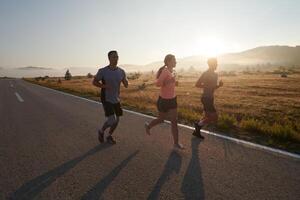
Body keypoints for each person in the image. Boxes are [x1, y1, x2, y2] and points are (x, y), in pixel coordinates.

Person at [144, 54, 184, 149]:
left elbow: (171, 83)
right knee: (161, 120)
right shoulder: (165, 71)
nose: (176, 62)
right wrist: (170, 82)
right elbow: (158, 84)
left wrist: (174, 83)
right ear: (169, 61)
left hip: (173, 99)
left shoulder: (173, 71)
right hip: (164, 100)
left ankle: (176, 143)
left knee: (174, 121)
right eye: (174, 60)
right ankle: (148, 126)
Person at [93, 50, 128, 144]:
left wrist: (125, 81)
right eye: (114, 57)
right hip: (106, 98)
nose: (116, 59)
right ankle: (101, 131)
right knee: (112, 119)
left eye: (117, 57)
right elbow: (94, 82)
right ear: (109, 58)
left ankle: (109, 136)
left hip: (116, 98)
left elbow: (126, 84)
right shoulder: (103, 71)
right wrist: (104, 86)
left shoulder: (121, 71)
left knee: (117, 120)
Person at [193, 57, 223, 139]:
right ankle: (198, 125)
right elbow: (197, 84)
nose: (217, 65)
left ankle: (197, 131)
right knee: (214, 117)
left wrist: (219, 86)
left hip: (209, 98)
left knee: (207, 116)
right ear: (211, 64)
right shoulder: (206, 74)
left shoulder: (215, 75)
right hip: (206, 98)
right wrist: (207, 86)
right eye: (216, 63)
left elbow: (212, 87)